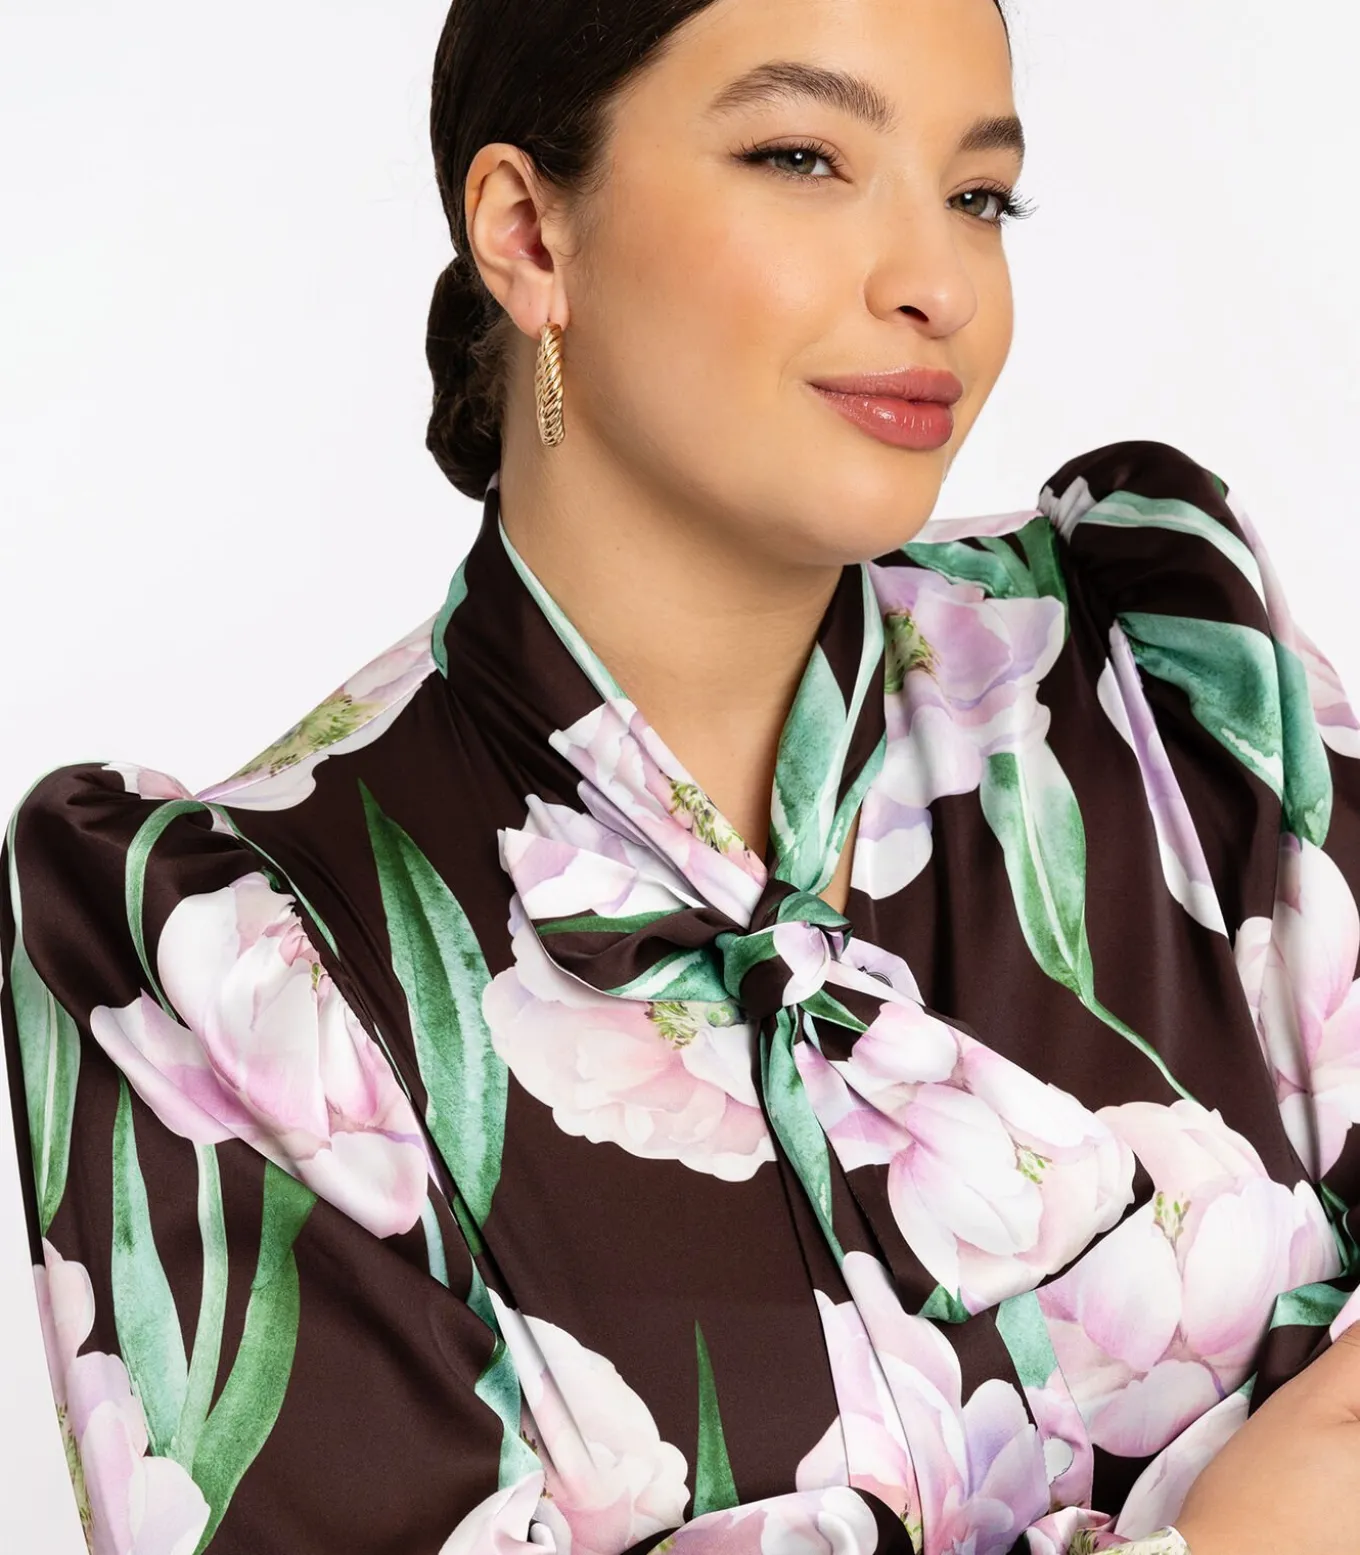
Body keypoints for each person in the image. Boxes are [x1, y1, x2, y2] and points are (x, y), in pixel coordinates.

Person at [5, 0, 1360, 1551]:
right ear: (530, 234)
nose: (937, 282)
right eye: (802, 158)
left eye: (978, 193)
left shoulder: (1165, 674)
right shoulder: (239, 962)